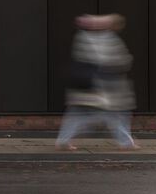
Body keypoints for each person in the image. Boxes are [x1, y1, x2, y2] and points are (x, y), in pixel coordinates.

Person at [56, 13, 136, 150]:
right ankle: (126, 142)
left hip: (89, 86)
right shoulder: (107, 38)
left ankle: (64, 139)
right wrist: (126, 61)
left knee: (78, 114)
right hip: (104, 87)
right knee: (118, 114)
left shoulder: (82, 36)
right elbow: (116, 60)